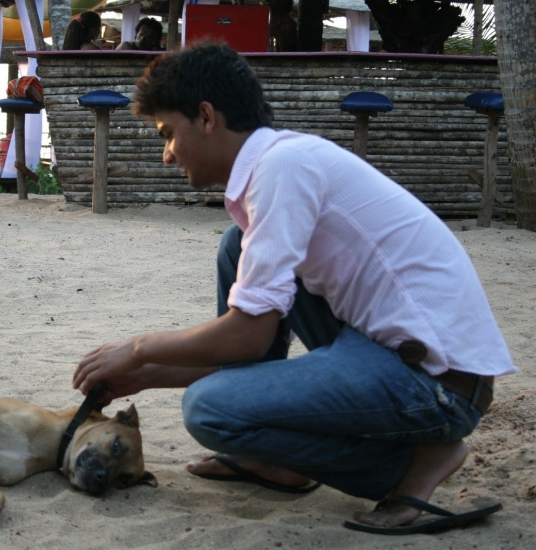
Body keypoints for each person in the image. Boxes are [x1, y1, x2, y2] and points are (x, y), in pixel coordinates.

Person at [72, 43, 514, 534]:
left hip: (438, 384)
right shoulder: (282, 163)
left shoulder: (283, 169)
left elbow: (247, 337)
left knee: (209, 409)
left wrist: (135, 350)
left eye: (168, 133)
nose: (167, 154)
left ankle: (413, 463)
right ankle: (272, 461)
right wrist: (146, 375)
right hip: (387, 350)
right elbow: (244, 354)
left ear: (206, 116)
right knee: (237, 246)